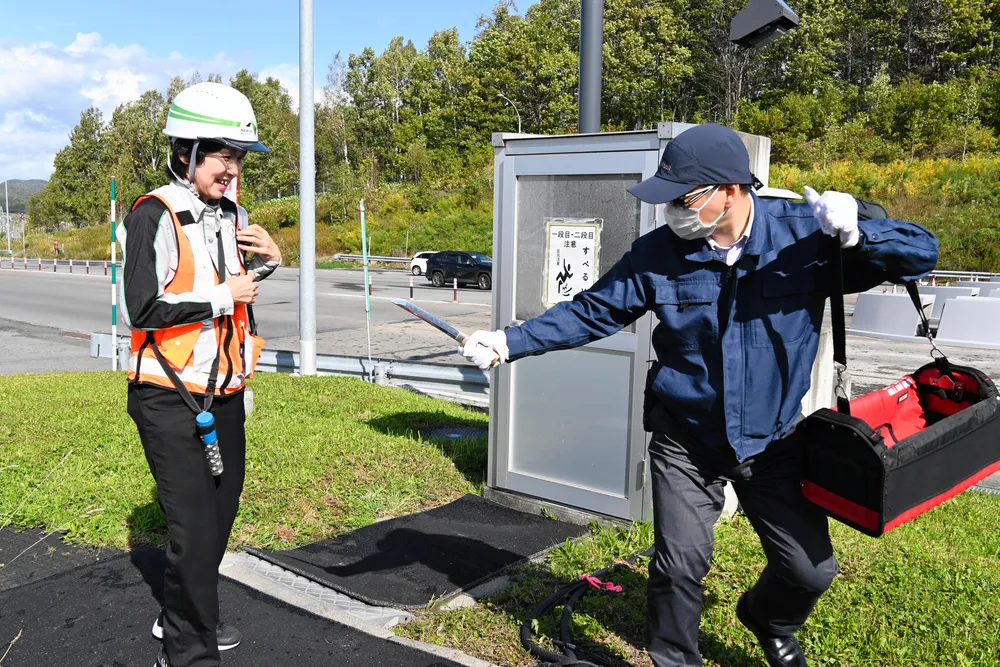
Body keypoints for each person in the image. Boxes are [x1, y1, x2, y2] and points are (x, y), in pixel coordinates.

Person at [460, 123, 938, 667]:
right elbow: (594, 311)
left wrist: (858, 235)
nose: (673, 213)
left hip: (773, 441)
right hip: (685, 437)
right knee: (678, 565)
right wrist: (506, 342)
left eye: (684, 199)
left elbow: (922, 253)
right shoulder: (658, 253)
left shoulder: (807, 236)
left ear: (730, 191)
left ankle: (770, 618)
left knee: (810, 570)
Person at [117, 81, 282, 667]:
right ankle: (189, 652)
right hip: (167, 396)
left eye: (239, 159)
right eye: (223, 157)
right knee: (192, 528)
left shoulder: (232, 213)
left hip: (225, 393)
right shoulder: (152, 214)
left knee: (220, 517)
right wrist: (222, 294)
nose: (233, 171)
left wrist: (269, 262)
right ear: (185, 152)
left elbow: (241, 297)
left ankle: (178, 615)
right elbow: (141, 308)